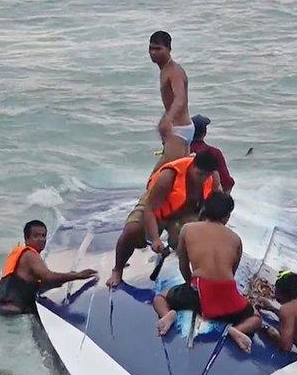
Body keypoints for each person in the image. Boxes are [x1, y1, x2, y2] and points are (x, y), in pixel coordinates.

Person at [152, 192, 261, 352]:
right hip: (227, 297)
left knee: (160, 298)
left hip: (198, 294)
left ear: (205, 209)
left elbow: (183, 265)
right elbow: (232, 272)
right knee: (256, 318)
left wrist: (190, 285)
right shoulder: (236, 239)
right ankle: (238, 330)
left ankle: (168, 315)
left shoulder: (188, 229)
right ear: (227, 216)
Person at [105, 151, 221, 288]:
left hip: (184, 213)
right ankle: (117, 269)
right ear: (192, 165)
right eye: (199, 174)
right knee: (132, 230)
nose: (202, 179)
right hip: (156, 207)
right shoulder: (169, 176)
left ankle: (197, 279)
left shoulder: (213, 177)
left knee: (195, 242)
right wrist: (155, 239)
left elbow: (219, 204)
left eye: (206, 175)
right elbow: (149, 209)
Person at [0, 220, 97, 314]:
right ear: (27, 238)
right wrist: (78, 275)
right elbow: (48, 277)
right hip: (13, 311)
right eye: (36, 236)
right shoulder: (30, 255)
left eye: (43, 236)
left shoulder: (21, 254)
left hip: (1, 308)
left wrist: (69, 276)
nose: (41, 239)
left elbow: (42, 282)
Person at [148, 31, 192, 171]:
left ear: (169, 49)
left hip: (179, 131)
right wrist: (164, 119)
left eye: (158, 48)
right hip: (178, 129)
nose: (153, 53)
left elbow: (180, 99)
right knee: (180, 176)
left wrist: (168, 120)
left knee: (156, 177)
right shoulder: (165, 70)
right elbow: (171, 102)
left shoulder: (174, 71)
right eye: (151, 48)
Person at [189, 114, 235, 193]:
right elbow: (227, 182)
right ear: (205, 133)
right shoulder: (214, 152)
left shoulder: (180, 150)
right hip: (209, 198)